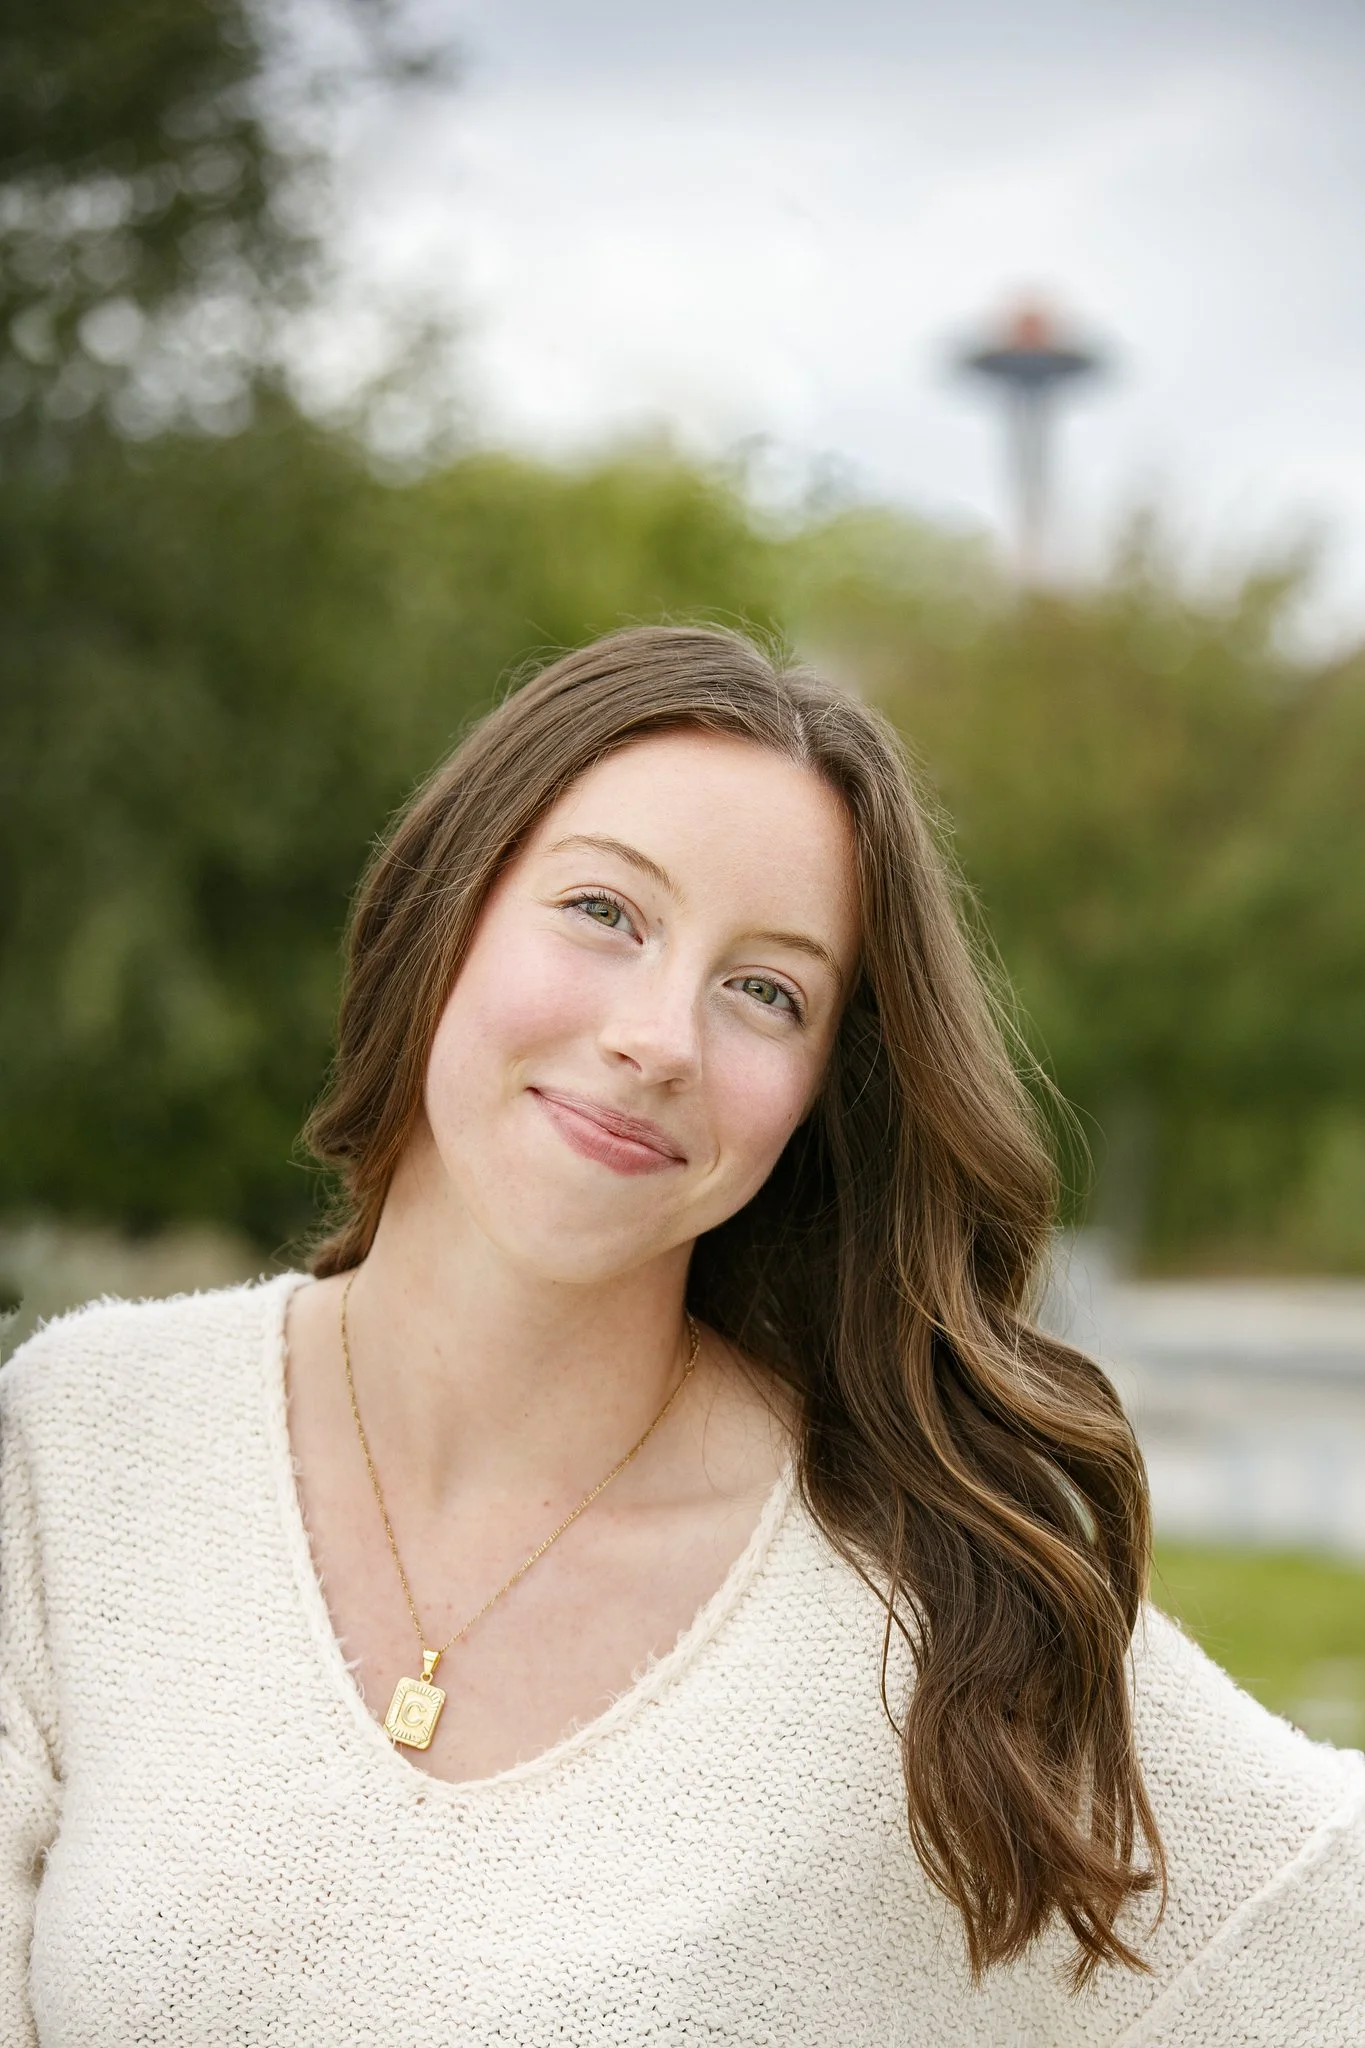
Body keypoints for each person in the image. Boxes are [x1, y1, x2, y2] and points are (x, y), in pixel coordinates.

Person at [1, 625, 1361, 2047]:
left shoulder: (926, 1597)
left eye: (766, 991)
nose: (662, 1037)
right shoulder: (83, 1446)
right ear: (444, 910)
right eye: (605, 910)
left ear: (817, 1098)